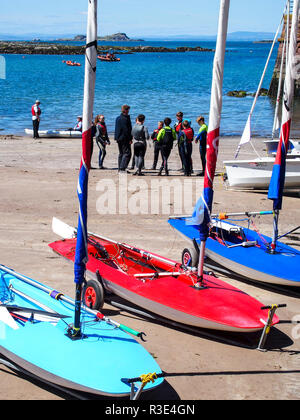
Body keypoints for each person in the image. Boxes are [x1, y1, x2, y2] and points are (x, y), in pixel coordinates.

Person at [115, 104, 133, 172]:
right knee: (127, 153)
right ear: (125, 110)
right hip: (124, 138)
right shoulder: (124, 118)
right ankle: (122, 168)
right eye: (128, 110)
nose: (128, 111)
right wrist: (130, 139)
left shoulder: (118, 118)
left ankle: (120, 168)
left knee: (121, 153)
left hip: (119, 137)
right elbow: (126, 130)